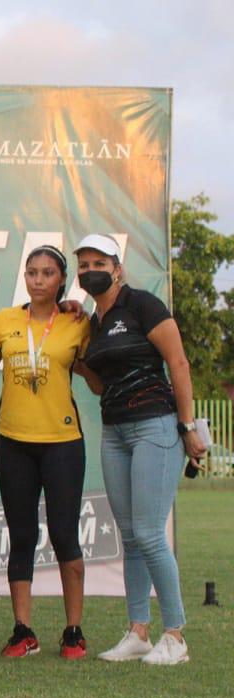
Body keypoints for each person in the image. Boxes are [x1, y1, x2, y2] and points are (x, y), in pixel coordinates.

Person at [76, 234, 204, 666]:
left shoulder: (143, 305)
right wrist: (79, 362)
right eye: (83, 264)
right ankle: (138, 632)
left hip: (155, 425)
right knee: (129, 536)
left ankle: (175, 635)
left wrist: (187, 427)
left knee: (149, 533)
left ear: (117, 267)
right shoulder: (93, 323)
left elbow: (178, 363)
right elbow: (99, 385)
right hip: (115, 432)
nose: (89, 269)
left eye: (98, 261)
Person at [0, 245, 94, 659]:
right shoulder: (4, 322)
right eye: (32, 272)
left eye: (47, 273)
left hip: (63, 443)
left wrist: (88, 345)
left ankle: (73, 631)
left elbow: (95, 383)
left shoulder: (77, 323)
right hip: (13, 442)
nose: (38, 279)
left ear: (62, 280)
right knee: (22, 536)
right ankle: (23, 630)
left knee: (64, 535)